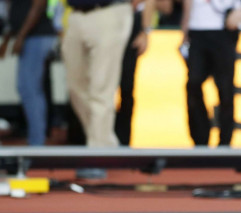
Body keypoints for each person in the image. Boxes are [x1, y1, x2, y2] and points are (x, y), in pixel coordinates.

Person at [62, 0, 135, 148]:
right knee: (75, 87)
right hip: (76, 13)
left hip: (109, 11)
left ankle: (98, 152)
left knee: (101, 89)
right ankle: (106, 142)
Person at [181, 0, 241, 147]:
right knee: (193, 83)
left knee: (225, 89)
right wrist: (185, 29)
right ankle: (200, 139)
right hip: (197, 28)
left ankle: (225, 141)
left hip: (225, 27)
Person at [0, 0, 58, 146]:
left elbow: (39, 5)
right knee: (27, 87)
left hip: (36, 36)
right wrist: (8, 40)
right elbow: (18, 11)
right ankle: (36, 139)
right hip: (31, 36)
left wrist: (20, 37)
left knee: (30, 88)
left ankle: (37, 142)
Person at [115, 0, 156, 146]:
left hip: (131, 21)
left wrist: (145, 31)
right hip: (106, 20)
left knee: (126, 87)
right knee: (103, 89)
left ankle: (123, 141)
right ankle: (103, 138)